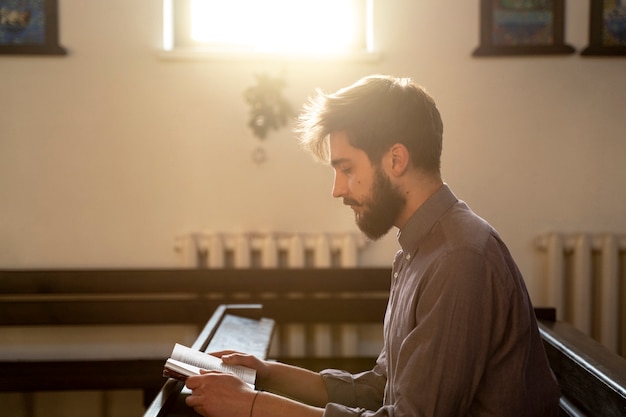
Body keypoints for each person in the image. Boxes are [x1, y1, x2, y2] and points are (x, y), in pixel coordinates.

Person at [184, 75, 561, 417]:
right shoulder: (418, 250)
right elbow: (382, 388)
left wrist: (251, 406)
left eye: (347, 169)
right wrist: (269, 374)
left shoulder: (459, 258)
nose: (337, 189)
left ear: (396, 159)